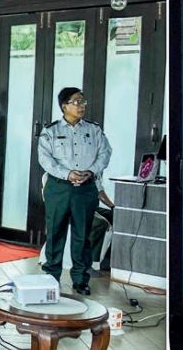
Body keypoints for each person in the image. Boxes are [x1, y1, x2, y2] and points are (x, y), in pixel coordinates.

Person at [37, 87, 111, 295]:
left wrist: (91, 171)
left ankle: (80, 279)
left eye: (83, 102)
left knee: (83, 234)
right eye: (77, 102)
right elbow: (45, 159)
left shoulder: (94, 130)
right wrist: (68, 174)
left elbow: (105, 153)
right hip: (59, 188)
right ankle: (51, 277)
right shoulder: (50, 131)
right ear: (64, 106)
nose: (82, 106)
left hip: (86, 189)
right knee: (55, 232)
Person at [86, 179, 115, 272]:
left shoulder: (95, 174)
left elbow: (99, 191)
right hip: (76, 207)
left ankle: (108, 260)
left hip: (91, 207)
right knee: (100, 223)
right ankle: (91, 262)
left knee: (116, 217)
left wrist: (113, 207)